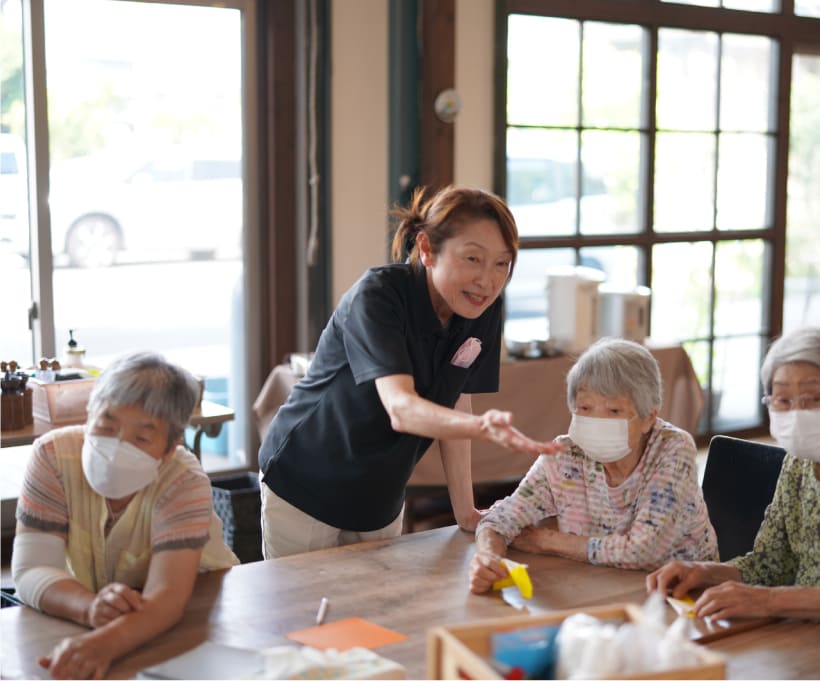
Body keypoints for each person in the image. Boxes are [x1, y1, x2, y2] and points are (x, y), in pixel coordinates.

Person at [258, 185, 563, 559]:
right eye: (472, 259)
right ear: (427, 248)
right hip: (306, 480)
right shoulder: (379, 296)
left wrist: (464, 511)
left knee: (376, 611)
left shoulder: (480, 310)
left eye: (502, 263)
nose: (487, 280)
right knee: (301, 613)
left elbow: (457, 398)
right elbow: (401, 408)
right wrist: (481, 428)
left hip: (379, 493)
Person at [646, 327, 820, 656]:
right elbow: (772, 562)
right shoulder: (799, 464)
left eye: (814, 399)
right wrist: (704, 573)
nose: (796, 413)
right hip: (808, 640)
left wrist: (768, 600)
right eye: (782, 400)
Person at [12, 351, 239, 680]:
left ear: (169, 449)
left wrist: (102, 644)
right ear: (88, 415)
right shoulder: (52, 457)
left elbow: (168, 596)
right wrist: (91, 608)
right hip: (108, 612)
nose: (117, 446)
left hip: (195, 612)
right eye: (106, 425)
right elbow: (32, 568)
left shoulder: (183, 480)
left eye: (142, 437)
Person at [468, 338, 717, 594]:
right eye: (585, 408)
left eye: (613, 411)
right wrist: (489, 559)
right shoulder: (565, 455)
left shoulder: (673, 449)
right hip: (596, 587)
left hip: (683, 596)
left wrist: (547, 541)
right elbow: (500, 518)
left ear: (647, 418)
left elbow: (644, 551)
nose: (596, 420)